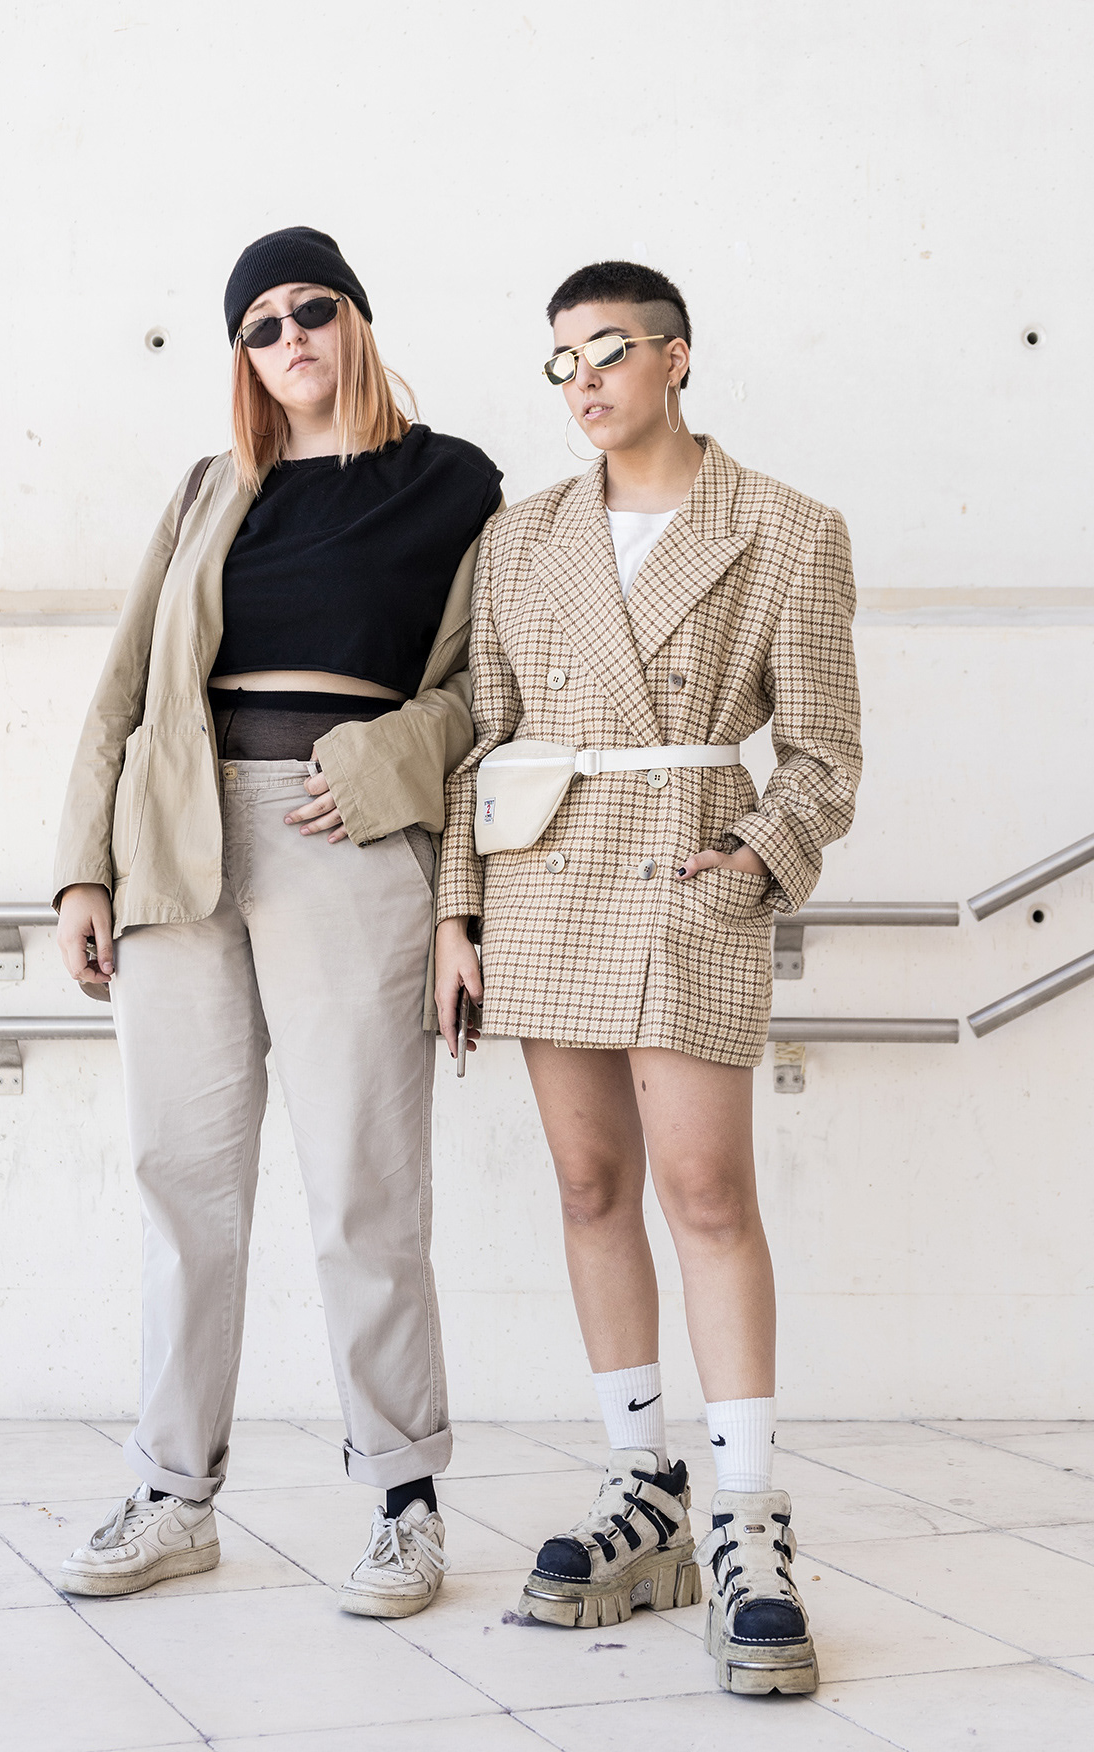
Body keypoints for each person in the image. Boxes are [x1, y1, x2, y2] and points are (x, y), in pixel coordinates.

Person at [52, 226, 502, 1614]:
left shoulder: (456, 483)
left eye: (312, 309)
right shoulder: (211, 490)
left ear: (357, 318)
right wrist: (82, 871)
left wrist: (384, 763)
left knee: (366, 1183)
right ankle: (173, 1494)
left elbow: (488, 692)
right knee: (180, 1180)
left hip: (348, 840)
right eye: (260, 324)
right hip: (179, 839)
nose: (289, 336)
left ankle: (405, 1501)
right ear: (242, 356)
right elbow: (126, 681)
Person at [434, 260, 861, 1693]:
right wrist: (457, 913)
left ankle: (748, 1515)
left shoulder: (785, 529)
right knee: (589, 1187)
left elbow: (824, 753)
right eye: (560, 363)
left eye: (608, 350)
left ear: (678, 357)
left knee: (707, 1193)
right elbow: (481, 738)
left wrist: (754, 854)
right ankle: (643, 1487)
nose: (583, 383)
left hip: (688, 877)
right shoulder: (521, 537)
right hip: (546, 880)